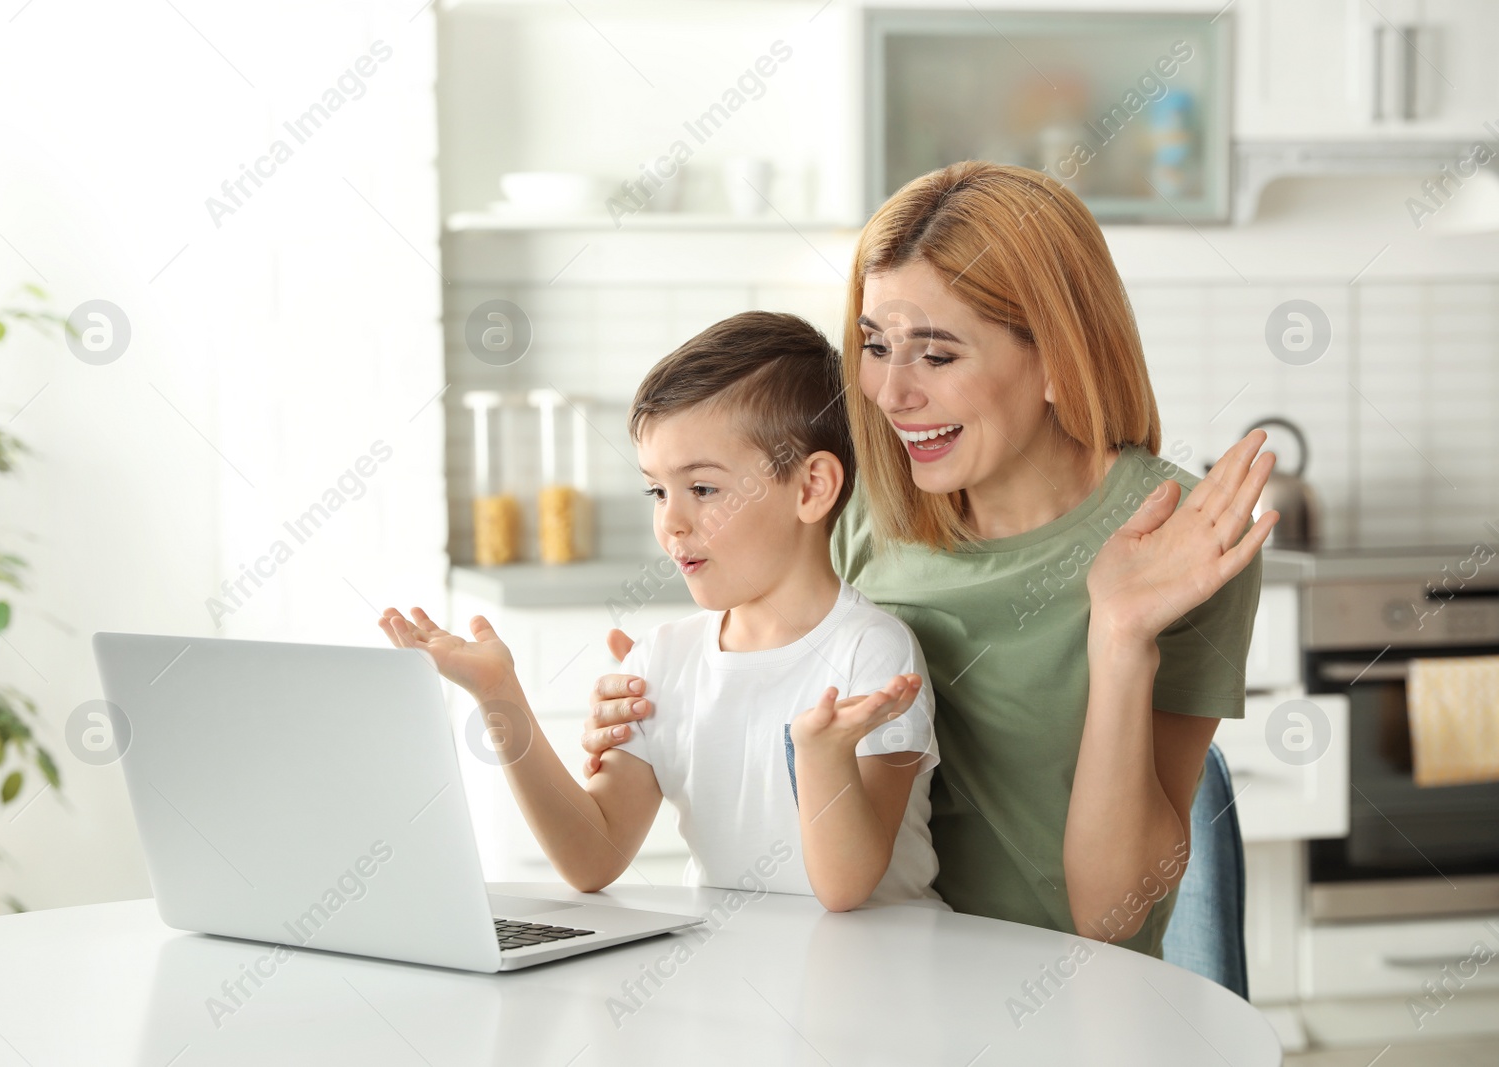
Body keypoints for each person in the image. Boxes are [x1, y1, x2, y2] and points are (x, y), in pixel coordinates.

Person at [581, 162, 1280, 957]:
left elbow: (1115, 916)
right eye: (876, 346)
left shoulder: (1182, 542)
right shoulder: (859, 510)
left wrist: (1121, 635)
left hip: (1068, 999)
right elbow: (796, 750)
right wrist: (671, 702)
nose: (887, 392)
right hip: (870, 978)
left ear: (1057, 357)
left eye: (937, 356)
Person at [381, 311, 945, 912]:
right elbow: (592, 856)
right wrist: (500, 695)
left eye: (702, 489)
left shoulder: (874, 654)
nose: (670, 521)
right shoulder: (663, 660)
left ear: (810, 489)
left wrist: (821, 753)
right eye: (657, 490)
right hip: (736, 977)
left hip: (878, 982)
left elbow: (845, 888)